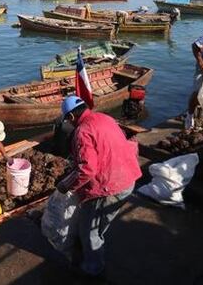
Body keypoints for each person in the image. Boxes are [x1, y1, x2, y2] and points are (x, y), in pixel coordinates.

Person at [56, 96, 141, 278]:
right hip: (128, 178)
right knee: (100, 224)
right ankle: (92, 251)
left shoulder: (82, 131)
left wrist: (66, 185)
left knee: (89, 232)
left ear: (70, 117)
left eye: (67, 120)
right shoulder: (104, 118)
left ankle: (93, 269)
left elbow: (87, 169)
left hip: (109, 187)